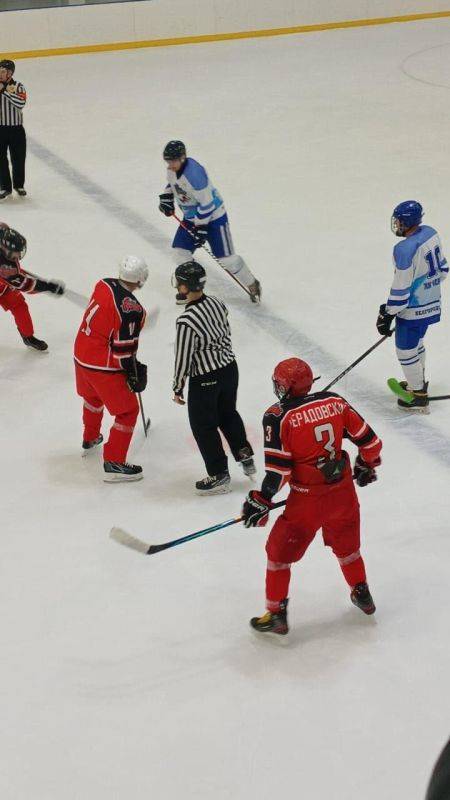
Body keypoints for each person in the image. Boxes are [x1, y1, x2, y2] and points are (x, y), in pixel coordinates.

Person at [241, 357, 382, 635]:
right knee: (348, 548)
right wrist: (367, 465)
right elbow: (372, 443)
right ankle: (361, 593)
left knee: (278, 555)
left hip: (306, 503)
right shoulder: (335, 401)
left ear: (285, 387)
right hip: (343, 495)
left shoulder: (277, 416)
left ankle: (276, 612)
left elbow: (279, 473)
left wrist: (262, 500)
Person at [172, 260, 255, 494]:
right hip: (230, 369)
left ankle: (218, 474)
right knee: (228, 413)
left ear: (185, 286)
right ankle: (244, 454)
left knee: (203, 426)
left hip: (205, 378)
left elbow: (183, 357)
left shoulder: (186, 321)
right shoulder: (217, 303)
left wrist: (177, 386)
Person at [74, 256, 148, 482]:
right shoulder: (133, 309)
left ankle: (90, 437)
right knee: (127, 411)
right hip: (102, 366)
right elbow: (123, 350)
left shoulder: (103, 283)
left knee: (93, 398)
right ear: (141, 279)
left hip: (80, 356)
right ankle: (115, 462)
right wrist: (133, 371)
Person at [159, 140, 261, 304]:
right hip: (193, 218)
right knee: (180, 253)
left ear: (183, 158)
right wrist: (166, 197)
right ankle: (191, 290)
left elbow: (208, 204)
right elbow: (173, 184)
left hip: (214, 218)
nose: (170, 165)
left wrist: (200, 227)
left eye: (173, 161)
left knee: (227, 259)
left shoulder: (195, 174)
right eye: (168, 161)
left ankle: (251, 283)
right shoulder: (173, 170)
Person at [376, 201, 448, 412]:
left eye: (398, 221)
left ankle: (417, 395)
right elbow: (443, 269)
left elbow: (401, 287)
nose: (396, 224)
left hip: (412, 311)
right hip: (432, 304)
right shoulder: (431, 233)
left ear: (406, 222)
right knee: (417, 343)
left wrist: (387, 313)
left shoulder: (403, 249)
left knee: (405, 350)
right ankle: (419, 382)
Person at [0, 223, 65, 351]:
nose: (18, 256)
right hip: (5, 281)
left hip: (5, 285)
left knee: (19, 306)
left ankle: (27, 336)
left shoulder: (2, 229)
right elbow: (26, 285)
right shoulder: (5, 269)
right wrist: (47, 286)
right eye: (15, 253)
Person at [0, 60, 27, 199]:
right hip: (0, 129)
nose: (0, 74)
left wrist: (4, 91)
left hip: (16, 129)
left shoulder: (18, 86)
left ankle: (19, 184)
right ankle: (4, 187)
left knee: (18, 158)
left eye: (3, 71)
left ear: (10, 73)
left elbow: (20, 103)